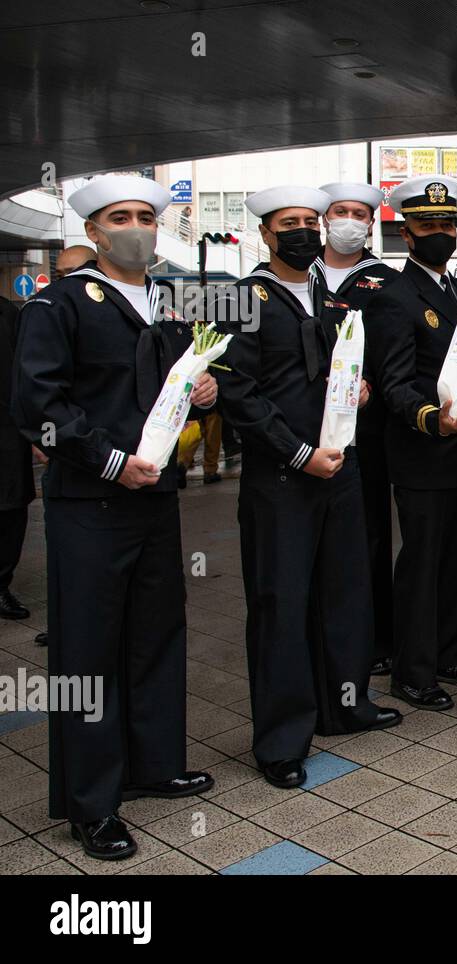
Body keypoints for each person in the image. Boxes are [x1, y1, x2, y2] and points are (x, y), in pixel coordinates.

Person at [11, 175, 217, 859]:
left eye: (144, 217)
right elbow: (37, 406)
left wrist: (206, 392)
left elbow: (175, 390)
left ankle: (153, 763)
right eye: (118, 218)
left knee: (156, 634)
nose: (135, 227)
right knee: (89, 652)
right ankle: (90, 801)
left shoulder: (168, 304)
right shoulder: (61, 304)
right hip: (92, 502)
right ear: (92, 233)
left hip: (155, 500)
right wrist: (107, 460)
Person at [216, 185, 400, 790]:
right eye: (288, 224)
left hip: (339, 469)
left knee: (345, 592)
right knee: (281, 605)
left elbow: (343, 375)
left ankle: (345, 704)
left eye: (309, 222)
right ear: (266, 235)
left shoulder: (332, 299)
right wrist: (298, 453)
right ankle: (280, 740)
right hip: (281, 478)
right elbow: (238, 393)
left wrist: (362, 393)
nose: (303, 231)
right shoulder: (243, 299)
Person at [365, 175, 457, 712]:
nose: (441, 233)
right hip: (423, 452)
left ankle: (447, 653)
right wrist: (431, 419)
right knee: (421, 564)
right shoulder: (393, 299)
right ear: (407, 233)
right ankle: (412, 670)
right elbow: (394, 383)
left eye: (449, 224)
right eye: (429, 225)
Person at [311, 182, 402, 676]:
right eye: (340, 212)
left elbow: (395, 353)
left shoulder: (385, 280)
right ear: (325, 218)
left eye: (359, 213)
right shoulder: (297, 275)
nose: (349, 221)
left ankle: (375, 639)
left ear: (371, 223)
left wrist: (372, 386)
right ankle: (321, 632)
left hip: (366, 430)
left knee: (367, 533)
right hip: (306, 429)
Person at [0, 295, 36, 621]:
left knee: (11, 510)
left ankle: (1, 586)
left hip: (8, 432)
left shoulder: (9, 314)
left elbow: (26, 374)